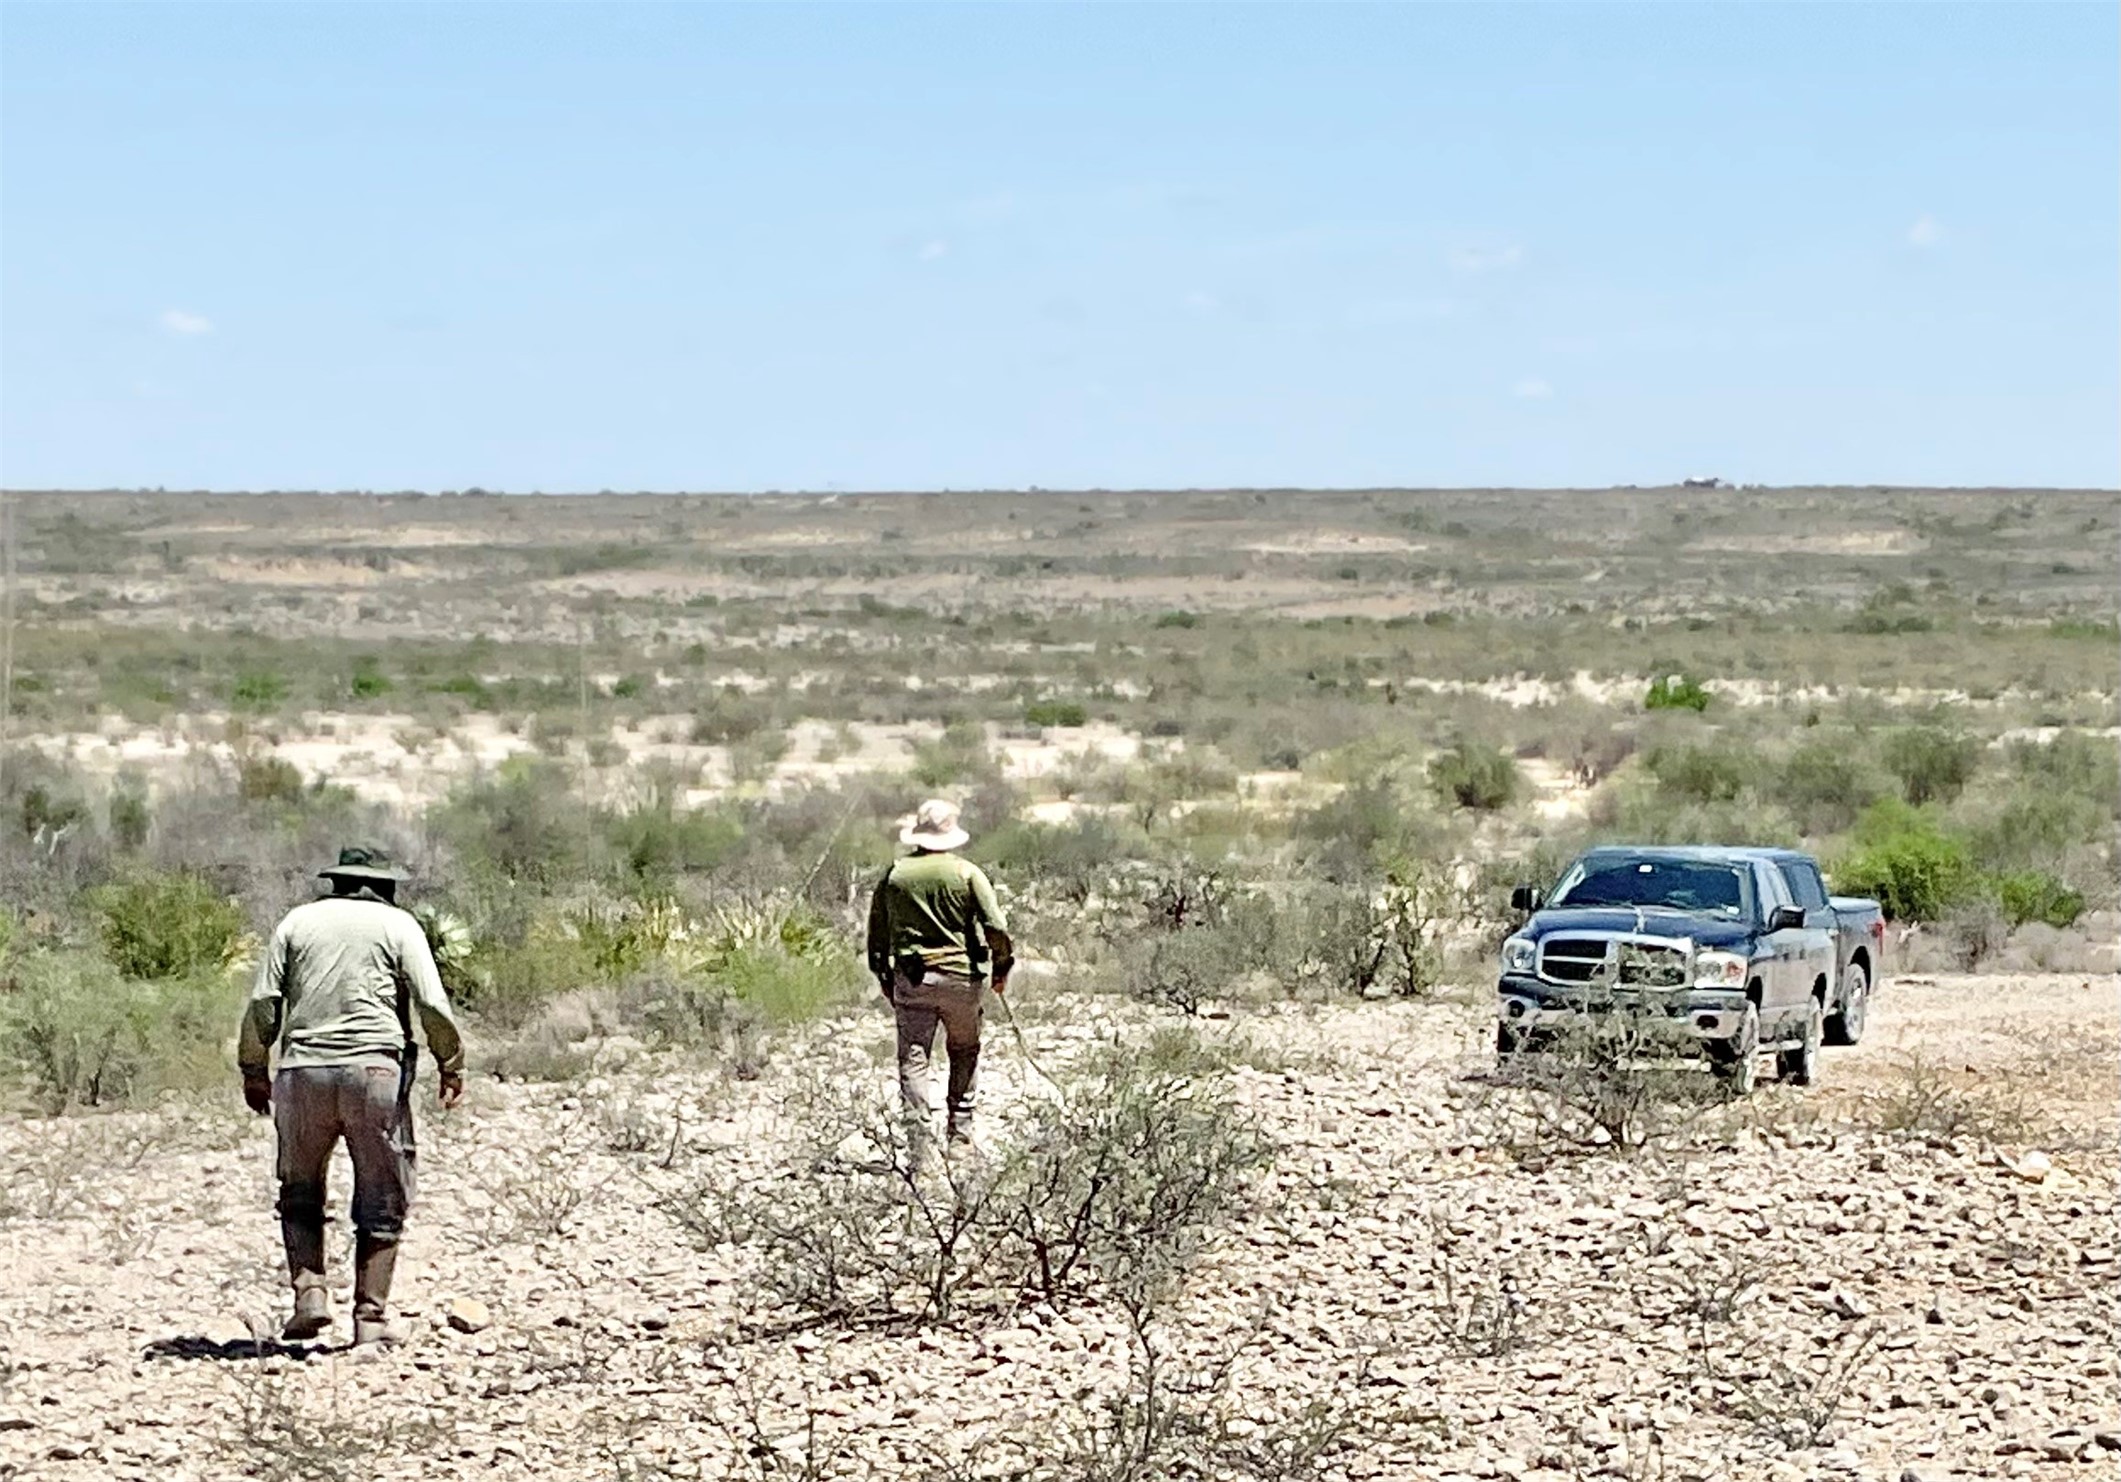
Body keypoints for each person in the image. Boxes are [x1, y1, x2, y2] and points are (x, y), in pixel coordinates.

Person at [237, 847, 465, 1344]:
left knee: (299, 1190)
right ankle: (370, 1319)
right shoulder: (399, 926)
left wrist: (254, 1067)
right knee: (382, 1195)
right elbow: (430, 1002)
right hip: (373, 1072)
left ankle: (310, 1294)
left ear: (338, 882)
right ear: (383, 885)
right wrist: (452, 1061)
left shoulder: (296, 923)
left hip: (301, 1073)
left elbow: (263, 1002)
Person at [866, 799, 1013, 1148]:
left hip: (912, 980)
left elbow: (877, 937)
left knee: (914, 1060)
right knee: (964, 1049)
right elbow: (995, 928)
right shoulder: (967, 873)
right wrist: (1001, 968)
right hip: (962, 980)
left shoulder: (895, 876)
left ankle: (919, 1148)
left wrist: (885, 979)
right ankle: (959, 1136)